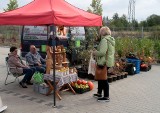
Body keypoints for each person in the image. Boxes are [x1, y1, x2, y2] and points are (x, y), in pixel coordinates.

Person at [92, 26, 115, 102]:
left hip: (103, 61)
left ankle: (106, 96)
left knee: (103, 80)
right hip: (108, 61)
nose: (99, 33)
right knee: (100, 78)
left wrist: (94, 52)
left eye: (100, 31)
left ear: (103, 32)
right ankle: (99, 93)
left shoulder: (104, 40)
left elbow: (102, 52)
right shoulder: (110, 39)